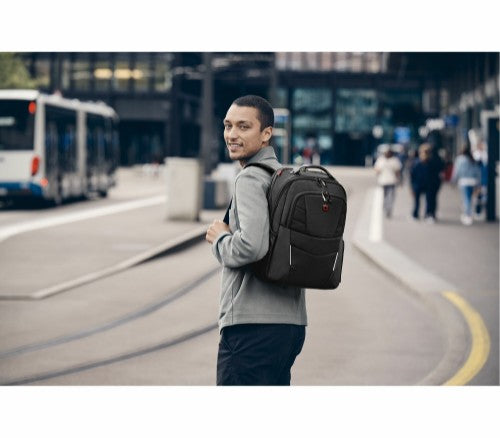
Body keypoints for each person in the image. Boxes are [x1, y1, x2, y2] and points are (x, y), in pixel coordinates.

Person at [205, 95, 307, 386]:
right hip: (290, 325)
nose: (231, 134)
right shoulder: (284, 176)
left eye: (243, 126)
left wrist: (220, 239)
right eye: (228, 126)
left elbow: (251, 246)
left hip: (251, 328)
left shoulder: (250, 178)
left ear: (266, 133)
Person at [451, 144, 481, 226]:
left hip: (464, 181)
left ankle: (467, 215)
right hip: (473, 181)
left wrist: (453, 180)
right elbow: (477, 171)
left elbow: (456, 171)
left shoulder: (459, 159)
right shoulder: (472, 159)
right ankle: (469, 213)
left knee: (466, 199)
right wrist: (479, 183)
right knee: (470, 198)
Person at [373, 145, 402, 218]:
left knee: (391, 196)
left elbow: (398, 171)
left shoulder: (395, 160)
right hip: (383, 181)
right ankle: (385, 207)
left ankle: (389, 209)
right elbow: (377, 169)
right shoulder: (381, 160)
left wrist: (399, 180)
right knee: (384, 196)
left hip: (392, 181)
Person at [410, 143, 435, 222]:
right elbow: (412, 175)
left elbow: (434, 175)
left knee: (429, 201)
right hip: (418, 185)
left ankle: (428, 214)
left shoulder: (431, 163)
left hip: (428, 185)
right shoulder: (416, 163)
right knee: (417, 201)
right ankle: (415, 214)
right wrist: (412, 187)